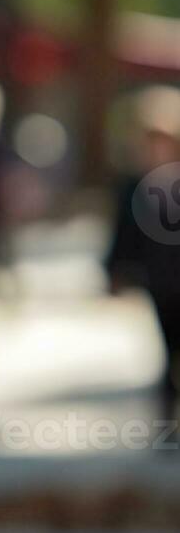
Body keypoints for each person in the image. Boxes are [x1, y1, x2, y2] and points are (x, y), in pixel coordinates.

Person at [105, 85, 180, 435]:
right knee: (167, 350)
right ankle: (166, 420)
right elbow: (124, 232)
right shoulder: (134, 186)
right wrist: (114, 271)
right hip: (160, 280)